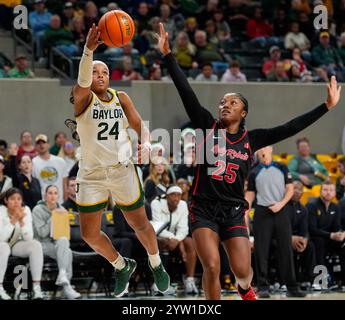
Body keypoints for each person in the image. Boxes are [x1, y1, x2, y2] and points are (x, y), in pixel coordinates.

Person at [157, 22, 342, 300]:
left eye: (232, 103)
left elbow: (290, 127)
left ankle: (245, 290)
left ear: (244, 112)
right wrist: (168, 56)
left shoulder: (253, 139)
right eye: (222, 102)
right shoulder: (208, 125)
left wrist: (326, 106)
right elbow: (186, 92)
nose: (225, 105)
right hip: (203, 208)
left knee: (243, 272)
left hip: (233, 210)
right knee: (211, 265)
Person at [71, 24, 170, 298]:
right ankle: (121, 265)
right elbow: (81, 81)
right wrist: (88, 51)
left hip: (122, 171)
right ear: (87, 76)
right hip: (91, 174)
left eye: (104, 72)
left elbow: (141, 127)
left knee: (140, 224)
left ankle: (156, 264)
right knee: (90, 235)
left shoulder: (121, 98)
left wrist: (147, 144)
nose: (100, 76)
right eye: (95, 72)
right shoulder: (82, 99)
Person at [246, 146, 305, 298]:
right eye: (259, 149)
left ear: (271, 149)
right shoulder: (253, 171)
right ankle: (263, 286)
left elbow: (290, 189)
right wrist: (245, 209)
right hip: (262, 212)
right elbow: (250, 194)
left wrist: (281, 204)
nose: (262, 151)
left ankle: (292, 286)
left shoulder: (282, 167)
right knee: (261, 250)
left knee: (285, 249)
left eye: (265, 147)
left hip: (281, 211)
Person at [32, 185, 81, 299]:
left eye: (55, 193)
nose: (53, 196)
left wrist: (59, 216)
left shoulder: (62, 211)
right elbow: (42, 233)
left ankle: (63, 275)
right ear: (45, 195)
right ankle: (67, 286)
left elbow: (64, 234)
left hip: (57, 244)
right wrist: (53, 217)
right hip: (41, 244)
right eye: (50, 193)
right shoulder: (37, 210)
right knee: (66, 252)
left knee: (64, 243)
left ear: (58, 196)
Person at [151, 185, 198, 295]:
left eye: (178, 195)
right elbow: (157, 227)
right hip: (157, 235)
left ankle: (190, 281)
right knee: (163, 242)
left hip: (176, 239)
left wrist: (177, 240)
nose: (176, 198)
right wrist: (175, 239)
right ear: (166, 196)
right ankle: (159, 283)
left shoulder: (182, 205)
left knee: (190, 242)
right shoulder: (156, 203)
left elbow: (184, 228)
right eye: (173, 195)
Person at [0, 188, 44, 300]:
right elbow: (2, 238)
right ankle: (0, 288)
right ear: (6, 200)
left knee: (35, 245)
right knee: (4, 247)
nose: (16, 202)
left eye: (19, 199)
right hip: (2, 244)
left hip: (15, 244)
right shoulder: (1, 211)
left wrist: (22, 222)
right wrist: (13, 220)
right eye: (12, 199)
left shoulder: (26, 210)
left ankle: (36, 288)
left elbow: (28, 237)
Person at [307, 182, 345, 289]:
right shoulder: (312, 206)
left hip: (330, 239)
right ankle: (320, 280)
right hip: (315, 238)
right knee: (319, 242)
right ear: (320, 192)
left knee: (344, 244)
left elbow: (337, 226)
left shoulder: (336, 207)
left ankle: (342, 280)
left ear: (334, 193)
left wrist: (340, 234)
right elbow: (312, 229)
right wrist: (331, 235)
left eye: (331, 190)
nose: (328, 192)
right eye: (325, 190)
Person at [289, 181, 317, 289]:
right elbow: (277, 229)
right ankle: (284, 280)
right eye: (295, 188)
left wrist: (304, 240)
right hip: (283, 238)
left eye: (300, 189)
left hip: (297, 239)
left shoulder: (303, 209)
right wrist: (290, 239)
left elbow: (305, 230)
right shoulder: (282, 206)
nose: (297, 191)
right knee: (282, 247)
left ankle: (309, 280)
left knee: (310, 246)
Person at [32, 134, 68, 204]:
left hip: (59, 202)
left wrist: (65, 201)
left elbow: (65, 184)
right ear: (35, 146)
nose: (41, 145)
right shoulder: (33, 162)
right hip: (42, 203)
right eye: (38, 143)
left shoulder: (60, 161)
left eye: (44, 143)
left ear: (48, 145)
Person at [8, 145, 42, 210]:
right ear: (19, 166)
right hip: (22, 212)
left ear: (32, 165)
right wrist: (13, 156)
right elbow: (13, 171)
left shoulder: (36, 181)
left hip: (36, 213)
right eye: (23, 162)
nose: (27, 164)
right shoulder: (18, 179)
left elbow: (39, 199)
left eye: (29, 162)